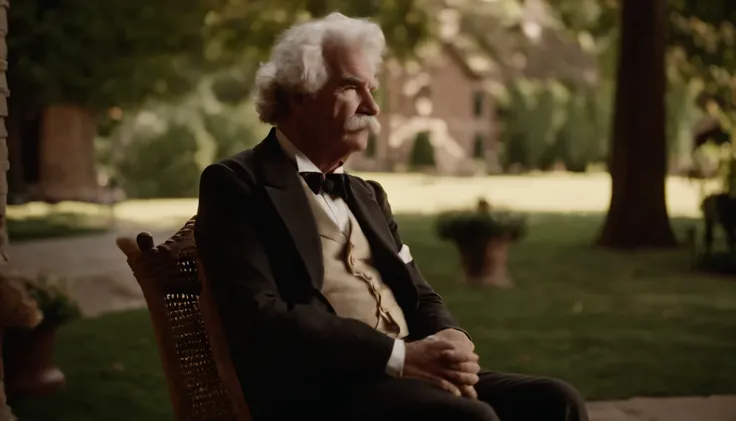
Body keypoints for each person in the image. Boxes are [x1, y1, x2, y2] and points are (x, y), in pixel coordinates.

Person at [195, 12, 589, 421]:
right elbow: (261, 317)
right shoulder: (236, 184)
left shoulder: (368, 195)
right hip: (323, 391)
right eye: (351, 87)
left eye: (373, 89)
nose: (373, 106)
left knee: (556, 401)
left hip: (410, 373)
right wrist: (398, 356)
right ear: (299, 95)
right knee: (472, 419)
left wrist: (451, 336)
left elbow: (418, 292)